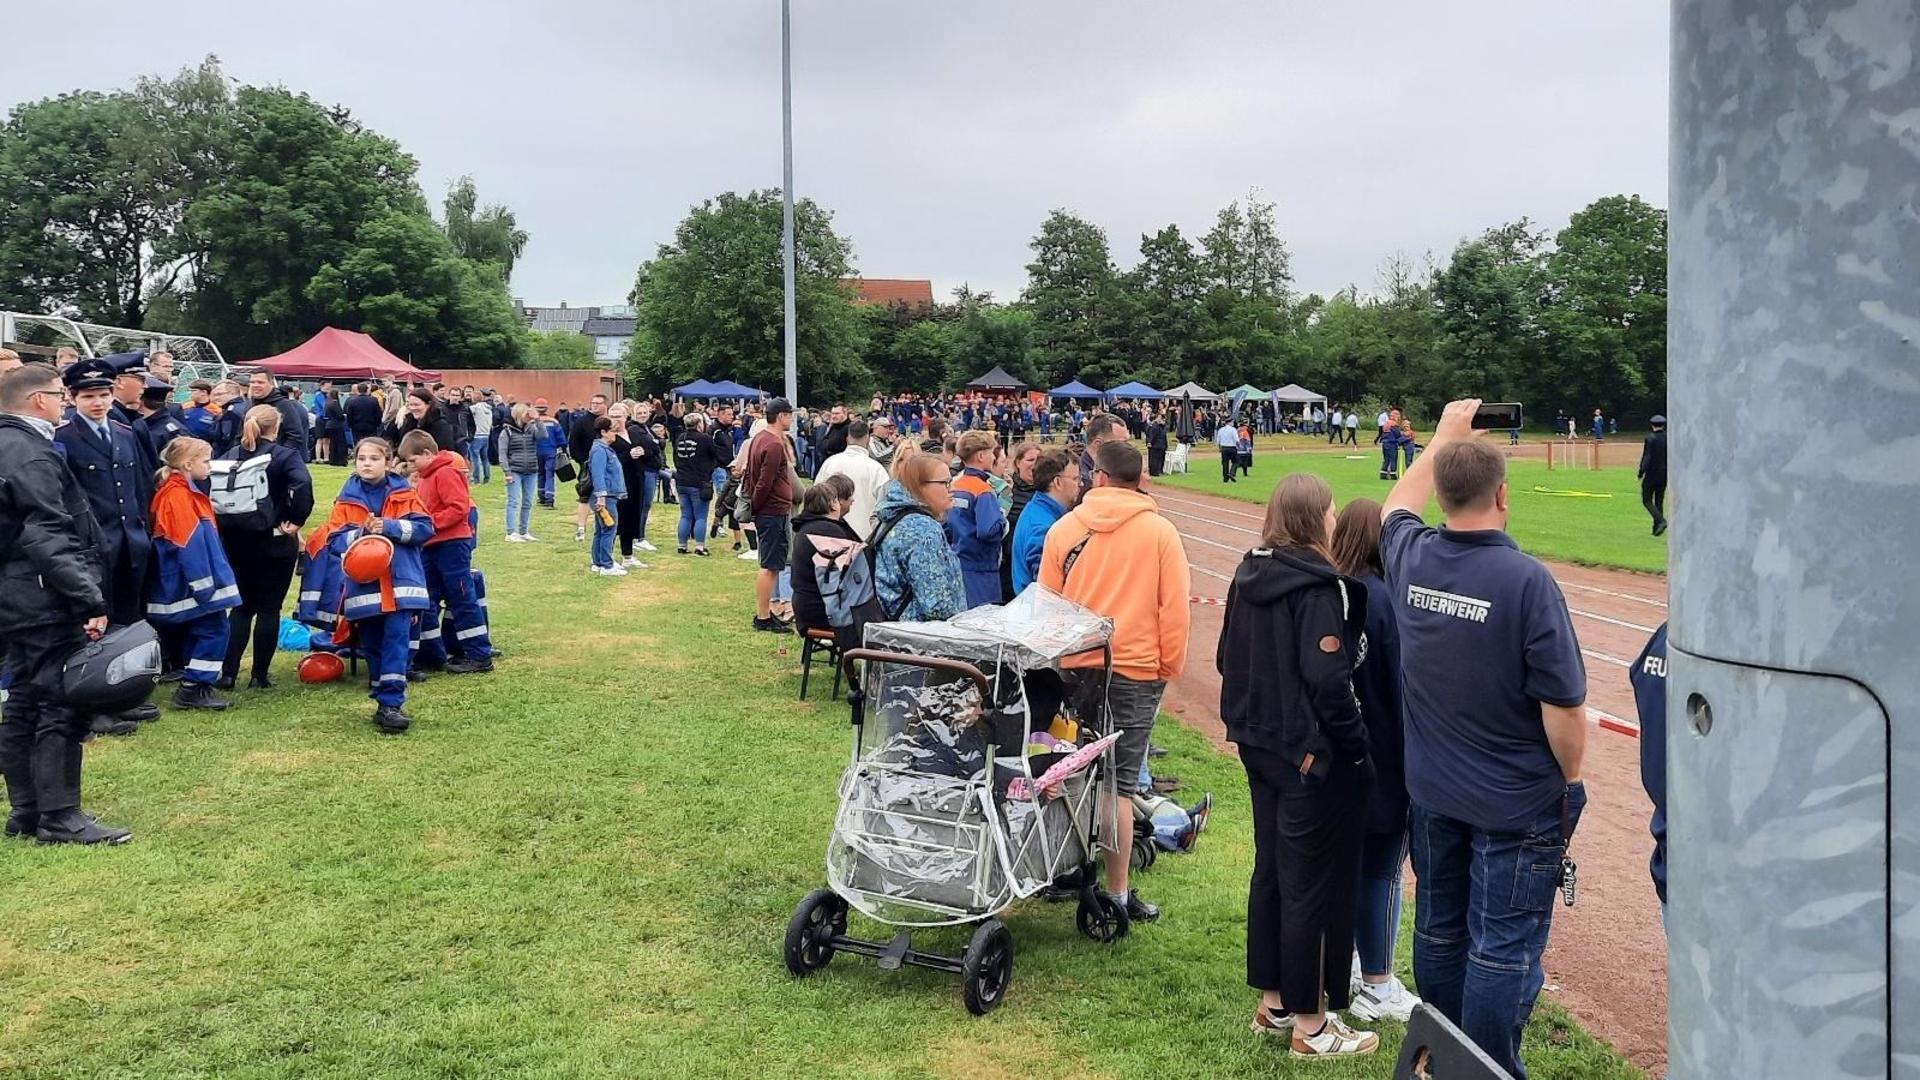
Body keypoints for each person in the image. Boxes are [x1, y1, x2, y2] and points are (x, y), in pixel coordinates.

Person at [1380, 399, 1587, 1080]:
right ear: (1503, 495)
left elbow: (1393, 510)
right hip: (1515, 802)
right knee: (1501, 946)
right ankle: (1488, 1067)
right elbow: (1563, 708)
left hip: (1435, 790)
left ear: (1441, 490)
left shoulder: (1413, 555)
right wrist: (1570, 779)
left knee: (1440, 927)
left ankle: (1444, 1058)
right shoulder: (1527, 581)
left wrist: (1440, 439)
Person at [1217, 474, 1375, 1057]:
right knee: (1310, 882)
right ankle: (1311, 1024)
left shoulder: (1246, 572)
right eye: (1330, 513)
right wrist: (1354, 747)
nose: (1335, 522)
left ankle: (1276, 1001)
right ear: (1314, 519)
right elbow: (1330, 681)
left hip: (1259, 743)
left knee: (1274, 872)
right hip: (1308, 754)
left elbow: (1224, 653)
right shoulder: (1318, 586)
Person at [1039, 440, 1190, 925]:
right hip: (1136, 666)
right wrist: (1167, 666)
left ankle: (1062, 868)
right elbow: (1175, 610)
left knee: (1068, 771)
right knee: (1119, 786)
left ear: (1098, 477)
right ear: (1139, 479)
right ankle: (1118, 892)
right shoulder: (1159, 532)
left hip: (1077, 665)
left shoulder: (1066, 528)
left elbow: (1047, 604)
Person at [0, 363, 132, 843]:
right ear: (39, 399)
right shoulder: (30, 451)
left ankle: (27, 810)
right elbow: (46, 531)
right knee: (58, 701)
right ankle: (59, 815)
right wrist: (87, 597)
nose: (63, 401)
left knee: (24, 699)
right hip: (40, 593)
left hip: (15, 593)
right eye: (59, 393)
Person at [1329, 497, 1420, 1024]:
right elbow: (1402, 686)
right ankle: (1380, 982)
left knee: (1349, 865)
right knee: (1384, 871)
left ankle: (1352, 962)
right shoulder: (1386, 600)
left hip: (1341, 752)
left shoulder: (1335, 592)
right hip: (1384, 754)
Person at [302, 438, 435, 733]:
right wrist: (361, 532)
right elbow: (334, 540)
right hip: (364, 588)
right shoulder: (346, 500)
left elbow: (426, 529)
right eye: (361, 458)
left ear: (387, 462)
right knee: (372, 645)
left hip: (402, 586)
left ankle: (392, 703)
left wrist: (389, 528)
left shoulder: (405, 493)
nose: (366, 463)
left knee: (396, 643)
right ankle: (381, 696)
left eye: (374, 458)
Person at [215, 406, 313, 691]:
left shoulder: (231, 455)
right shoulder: (284, 455)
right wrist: (296, 519)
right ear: (277, 426)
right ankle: (259, 675)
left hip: (235, 539)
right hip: (274, 539)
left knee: (241, 609)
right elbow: (303, 482)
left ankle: (228, 673)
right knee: (269, 609)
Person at [145, 437, 238, 711]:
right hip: (194, 582)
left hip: (193, 580)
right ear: (188, 464)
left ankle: (195, 684)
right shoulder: (178, 496)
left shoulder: (180, 491)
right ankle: (194, 687)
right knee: (215, 629)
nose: (210, 466)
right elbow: (189, 543)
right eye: (206, 460)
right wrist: (204, 586)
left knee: (206, 629)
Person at [399, 432, 494, 674]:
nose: (411, 467)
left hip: (451, 544)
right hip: (432, 545)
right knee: (428, 597)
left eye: (412, 461)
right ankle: (431, 653)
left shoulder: (445, 473)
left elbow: (458, 508)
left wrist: (429, 525)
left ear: (427, 454)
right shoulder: (427, 477)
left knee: (461, 596)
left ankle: (479, 654)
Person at [789, 474, 882, 655]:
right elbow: (853, 572)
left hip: (806, 606)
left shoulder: (808, 527)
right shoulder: (829, 532)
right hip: (821, 609)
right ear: (833, 504)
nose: (851, 501)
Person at [870, 453, 967, 622]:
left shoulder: (894, 516)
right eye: (945, 483)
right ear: (919, 486)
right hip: (921, 637)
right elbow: (936, 604)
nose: (952, 489)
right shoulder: (922, 530)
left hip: (897, 631)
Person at [744, 399, 799, 632]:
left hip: (769, 510)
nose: (792, 419)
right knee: (770, 565)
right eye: (789, 415)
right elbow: (764, 482)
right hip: (772, 511)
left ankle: (766, 613)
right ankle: (763, 616)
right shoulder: (774, 444)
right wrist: (757, 507)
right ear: (781, 416)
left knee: (772, 564)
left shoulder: (759, 438)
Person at [947, 431, 1008, 609]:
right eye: (991, 452)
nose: (993, 458)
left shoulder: (954, 484)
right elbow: (988, 530)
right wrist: (1002, 520)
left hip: (958, 564)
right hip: (982, 570)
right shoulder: (983, 490)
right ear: (981, 456)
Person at [1011, 449, 1075, 594]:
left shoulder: (1037, 510)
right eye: (1075, 479)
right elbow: (1044, 590)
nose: (1081, 484)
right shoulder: (1043, 527)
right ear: (1057, 482)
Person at [814, 418, 889, 539]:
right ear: (868, 439)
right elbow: (886, 504)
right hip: (865, 536)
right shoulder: (876, 469)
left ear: (847, 438)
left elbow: (816, 498)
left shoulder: (830, 463)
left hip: (832, 535)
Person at [604, 403, 650, 570]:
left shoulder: (633, 433)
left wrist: (643, 452)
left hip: (636, 481)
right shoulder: (608, 438)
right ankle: (607, 557)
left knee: (632, 518)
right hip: (617, 484)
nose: (616, 419)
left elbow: (650, 450)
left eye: (619, 416)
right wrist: (628, 455)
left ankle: (628, 556)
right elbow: (609, 461)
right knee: (616, 521)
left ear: (626, 416)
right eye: (613, 416)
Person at [671, 413, 720, 557]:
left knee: (685, 515)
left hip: (682, 481)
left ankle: (682, 545)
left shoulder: (680, 438)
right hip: (699, 482)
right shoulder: (705, 439)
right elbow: (715, 455)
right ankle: (699, 546)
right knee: (700, 516)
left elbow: (675, 458)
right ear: (699, 424)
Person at [999, 441, 1042, 599]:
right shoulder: (1006, 491)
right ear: (1018, 463)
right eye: (1030, 460)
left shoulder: (1046, 493)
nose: (1034, 465)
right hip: (1008, 566)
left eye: (1038, 460)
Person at [587, 417, 626, 576]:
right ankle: (607, 565)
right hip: (605, 496)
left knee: (601, 529)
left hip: (608, 495)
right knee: (609, 528)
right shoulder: (599, 450)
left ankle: (598, 562)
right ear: (603, 432)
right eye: (612, 431)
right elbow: (598, 475)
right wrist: (601, 497)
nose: (615, 434)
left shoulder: (604, 449)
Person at [498, 404, 541, 542]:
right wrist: (507, 471)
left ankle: (523, 531)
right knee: (513, 501)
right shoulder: (507, 431)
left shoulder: (531, 428)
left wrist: (538, 420)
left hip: (531, 469)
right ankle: (510, 532)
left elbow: (543, 436)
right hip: (515, 470)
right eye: (526, 414)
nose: (528, 416)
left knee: (528, 502)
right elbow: (502, 453)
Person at [247, 372, 311, 453]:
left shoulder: (284, 405)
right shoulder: (249, 405)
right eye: (252, 382)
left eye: (260, 382)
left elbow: (295, 435)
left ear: (271, 384)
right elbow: (241, 434)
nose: (255, 385)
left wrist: (279, 455)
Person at [1078, 414, 1123, 496]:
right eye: (1121, 443)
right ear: (1098, 444)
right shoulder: (1081, 482)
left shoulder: (1112, 471)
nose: (1128, 448)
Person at [530, 400, 564, 509]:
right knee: (550, 474)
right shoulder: (553, 421)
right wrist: (562, 448)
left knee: (540, 473)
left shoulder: (531, 422)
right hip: (551, 452)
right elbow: (561, 439)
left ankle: (541, 497)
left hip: (536, 451)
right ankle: (550, 499)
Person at [1639, 414, 1668, 536]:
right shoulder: (1668, 438)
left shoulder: (1650, 438)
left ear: (1652, 425)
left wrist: (1641, 471)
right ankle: (1656, 529)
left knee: (1646, 500)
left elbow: (1647, 456)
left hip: (1652, 474)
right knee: (1659, 501)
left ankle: (1661, 521)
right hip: (1664, 473)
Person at [344, 383, 383, 449]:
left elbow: (349, 415)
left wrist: (351, 425)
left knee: (359, 445)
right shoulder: (374, 400)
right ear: (367, 390)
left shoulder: (352, 401)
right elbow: (378, 414)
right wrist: (377, 424)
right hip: (371, 427)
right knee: (371, 444)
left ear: (358, 390)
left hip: (357, 427)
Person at [467, 391, 494, 484]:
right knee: (485, 458)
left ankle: (476, 479)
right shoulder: (489, 409)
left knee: (475, 458)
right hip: (486, 435)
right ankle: (487, 477)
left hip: (476, 435)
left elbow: (466, 413)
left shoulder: (474, 408)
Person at [1215, 416, 1240, 483]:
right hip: (1232, 448)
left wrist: (1220, 448)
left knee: (1225, 463)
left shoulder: (1221, 430)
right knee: (1236, 461)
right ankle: (1232, 473)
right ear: (1230, 422)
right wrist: (1238, 447)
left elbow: (1218, 441)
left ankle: (1225, 479)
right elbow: (1236, 440)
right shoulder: (1233, 429)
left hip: (1224, 448)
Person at [1145, 411, 1169, 476]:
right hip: (1156, 445)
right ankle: (1154, 472)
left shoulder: (1160, 426)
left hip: (1160, 445)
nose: (1160, 419)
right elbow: (1152, 435)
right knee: (1154, 459)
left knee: (1158, 459)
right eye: (1159, 418)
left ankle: (1158, 471)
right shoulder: (1154, 426)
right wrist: (1149, 442)